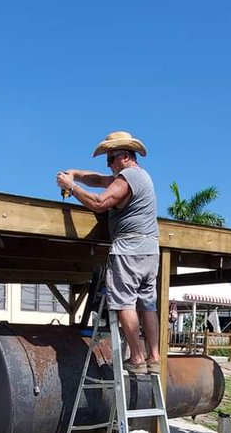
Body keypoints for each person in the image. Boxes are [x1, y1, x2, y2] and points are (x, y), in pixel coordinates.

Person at [56, 131, 160, 375]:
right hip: (149, 250)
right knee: (148, 305)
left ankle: (136, 357)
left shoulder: (127, 177)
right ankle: (154, 358)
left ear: (124, 157)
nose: (108, 165)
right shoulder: (140, 176)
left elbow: (100, 203)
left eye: (110, 160)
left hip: (129, 250)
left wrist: (71, 188)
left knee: (125, 302)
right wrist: (75, 173)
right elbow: (98, 180)